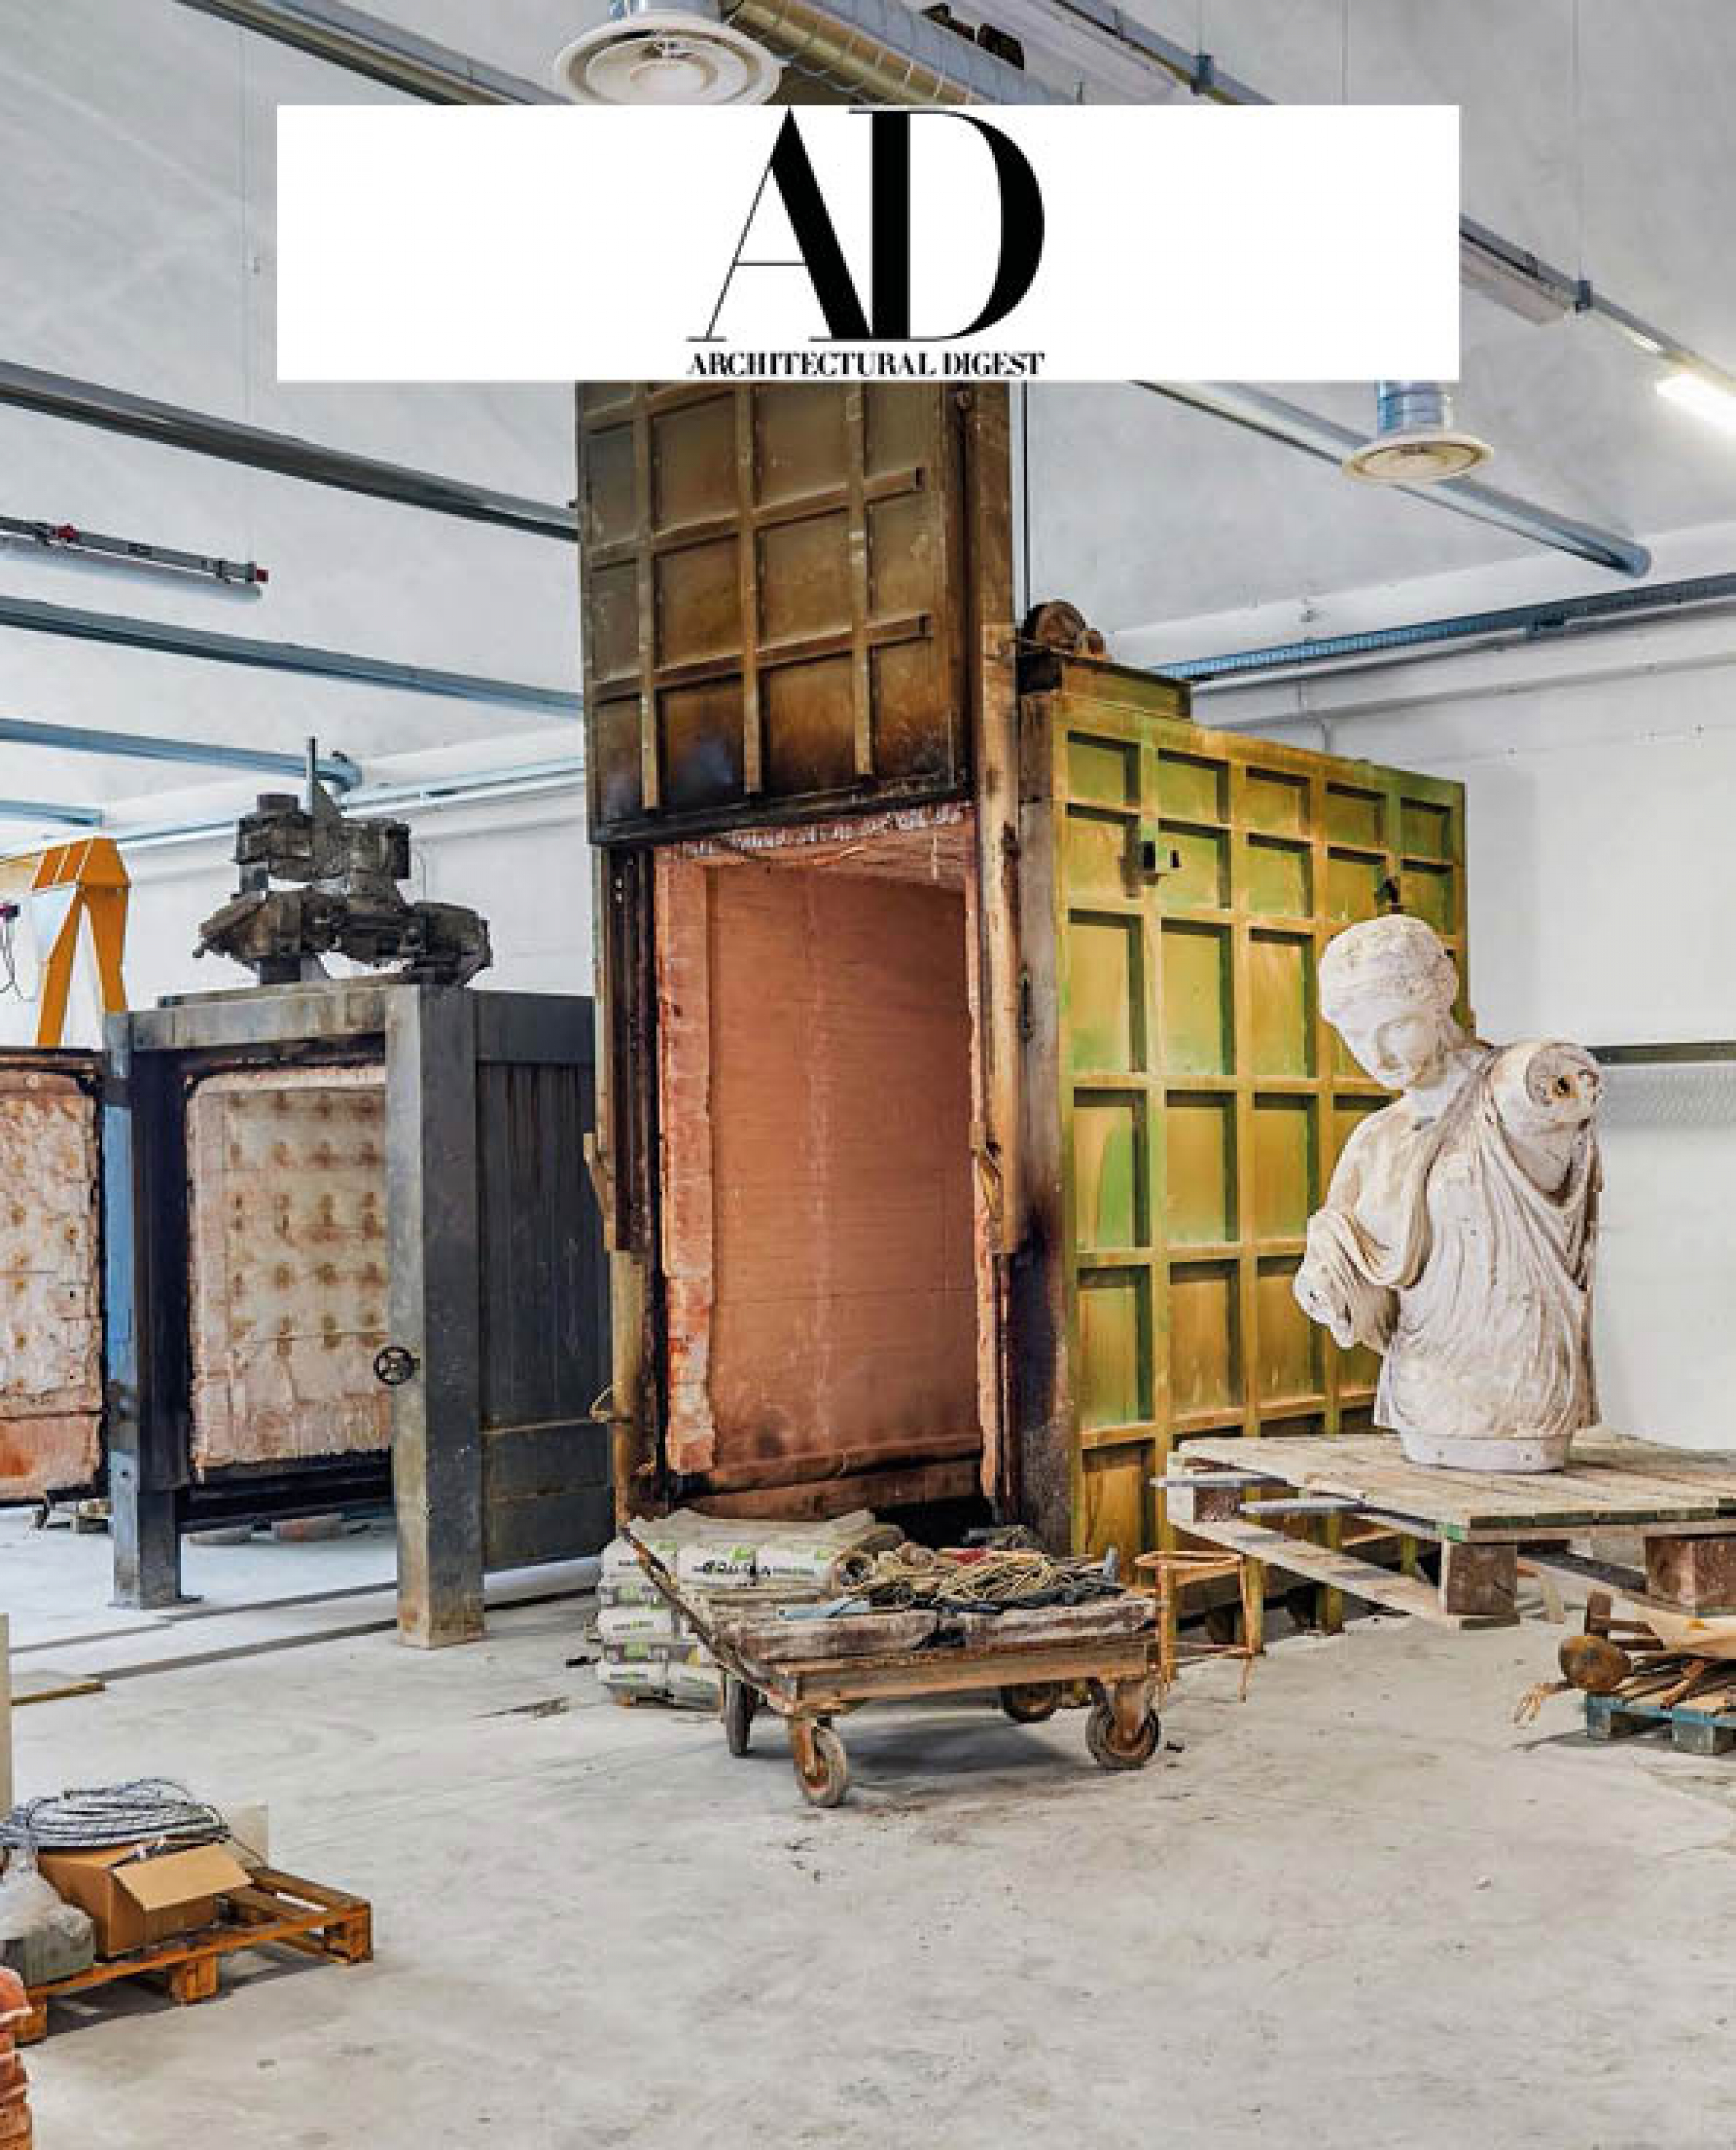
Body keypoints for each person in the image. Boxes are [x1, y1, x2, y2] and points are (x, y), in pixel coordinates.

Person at [1294, 913, 1602, 1471]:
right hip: (1421, 1394)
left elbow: (1559, 1082)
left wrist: (1548, 1077)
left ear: (1441, 995)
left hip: (1520, 1400)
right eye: (1356, 1036)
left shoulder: (1513, 1091)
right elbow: (1346, 1257)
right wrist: (1326, 1281)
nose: (1377, 1056)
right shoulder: (1376, 1138)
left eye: (1396, 1026)